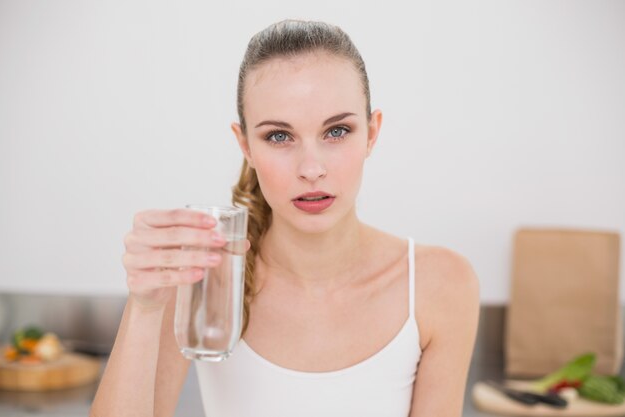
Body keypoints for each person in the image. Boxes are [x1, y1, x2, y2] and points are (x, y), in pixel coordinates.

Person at [90, 19, 480, 417]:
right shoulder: (204, 278)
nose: (311, 169)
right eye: (279, 136)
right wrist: (144, 306)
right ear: (245, 145)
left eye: (337, 131)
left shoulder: (440, 284)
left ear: (371, 133)